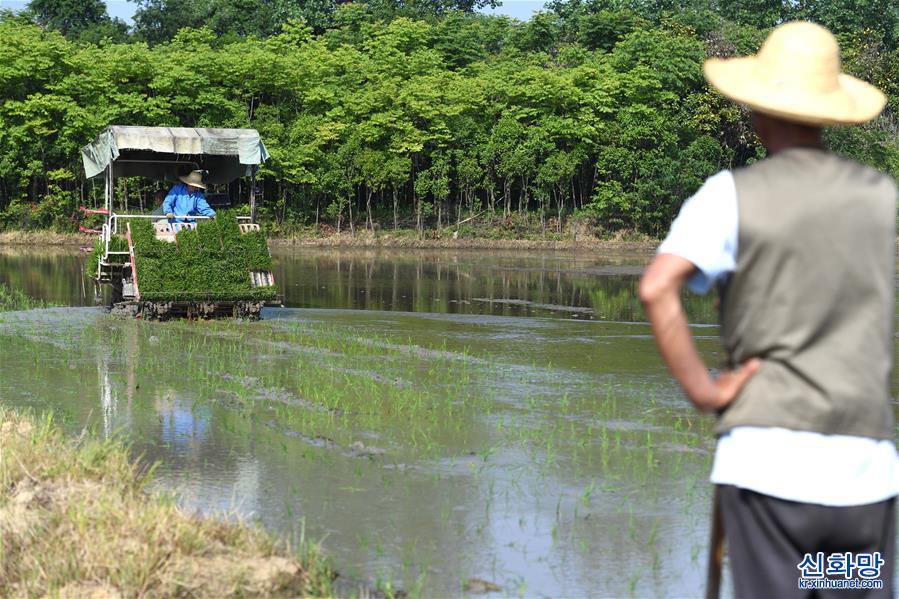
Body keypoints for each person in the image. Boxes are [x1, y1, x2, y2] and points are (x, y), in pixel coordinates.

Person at [639, 21, 897, 597]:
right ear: (833, 114)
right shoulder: (882, 197)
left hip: (768, 471)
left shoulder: (731, 194)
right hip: (865, 475)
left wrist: (704, 392)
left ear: (757, 112)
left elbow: (659, 288)